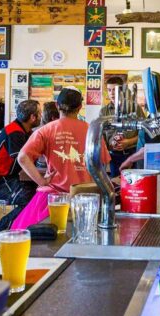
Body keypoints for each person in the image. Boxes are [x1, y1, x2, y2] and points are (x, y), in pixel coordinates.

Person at [13, 89, 109, 229]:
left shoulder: (46, 130)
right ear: (79, 108)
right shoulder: (92, 131)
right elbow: (103, 164)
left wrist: (42, 181)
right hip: (85, 200)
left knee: (29, 235)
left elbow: (22, 157)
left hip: (54, 200)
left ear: (57, 106)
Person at [0, 99, 41, 239]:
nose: (41, 116)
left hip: (7, 178)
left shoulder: (22, 130)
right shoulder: (14, 133)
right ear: (32, 117)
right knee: (30, 198)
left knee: (38, 192)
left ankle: (25, 229)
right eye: (39, 114)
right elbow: (23, 161)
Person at [119, 78, 160, 171]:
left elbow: (148, 149)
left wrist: (129, 160)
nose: (145, 99)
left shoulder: (157, 117)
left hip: (152, 173)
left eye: (147, 95)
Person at [100, 76, 143, 177]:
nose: (111, 93)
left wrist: (128, 142)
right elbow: (101, 137)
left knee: (133, 185)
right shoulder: (104, 111)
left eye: (114, 90)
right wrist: (111, 144)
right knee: (116, 186)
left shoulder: (135, 109)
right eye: (109, 90)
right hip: (113, 157)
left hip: (132, 155)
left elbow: (143, 134)